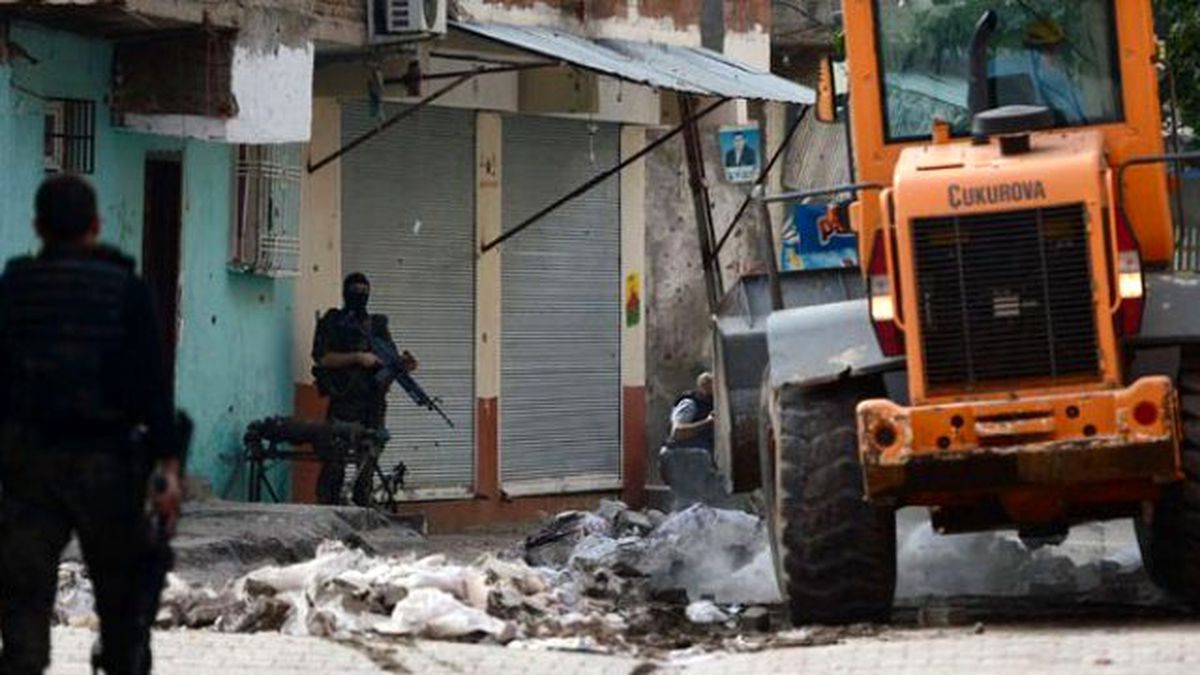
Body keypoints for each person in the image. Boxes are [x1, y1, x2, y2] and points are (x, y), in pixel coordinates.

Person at [0, 174, 182, 675]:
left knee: (23, 615)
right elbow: (152, 385)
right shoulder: (126, 291)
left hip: (28, 469)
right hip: (108, 469)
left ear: (38, 226)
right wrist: (167, 467)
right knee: (124, 618)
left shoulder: (14, 289)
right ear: (97, 226)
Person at [311, 272, 415, 505]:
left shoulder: (377, 325)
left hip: (373, 402)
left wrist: (403, 364)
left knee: (368, 458)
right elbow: (322, 358)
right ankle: (329, 505)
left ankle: (362, 503)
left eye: (364, 292)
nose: (360, 296)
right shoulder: (333, 321)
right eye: (355, 291)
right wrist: (358, 357)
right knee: (334, 459)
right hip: (344, 400)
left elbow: (391, 360)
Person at [991, 17, 1087, 125]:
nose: (1055, 55)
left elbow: (1081, 114)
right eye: (1048, 49)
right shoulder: (1011, 74)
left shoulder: (1064, 82)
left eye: (1057, 48)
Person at [668, 372, 715, 452]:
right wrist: (708, 422)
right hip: (682, 455)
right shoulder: (689, 405)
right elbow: (677, 432)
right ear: (702, 387)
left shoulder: (709, 404)